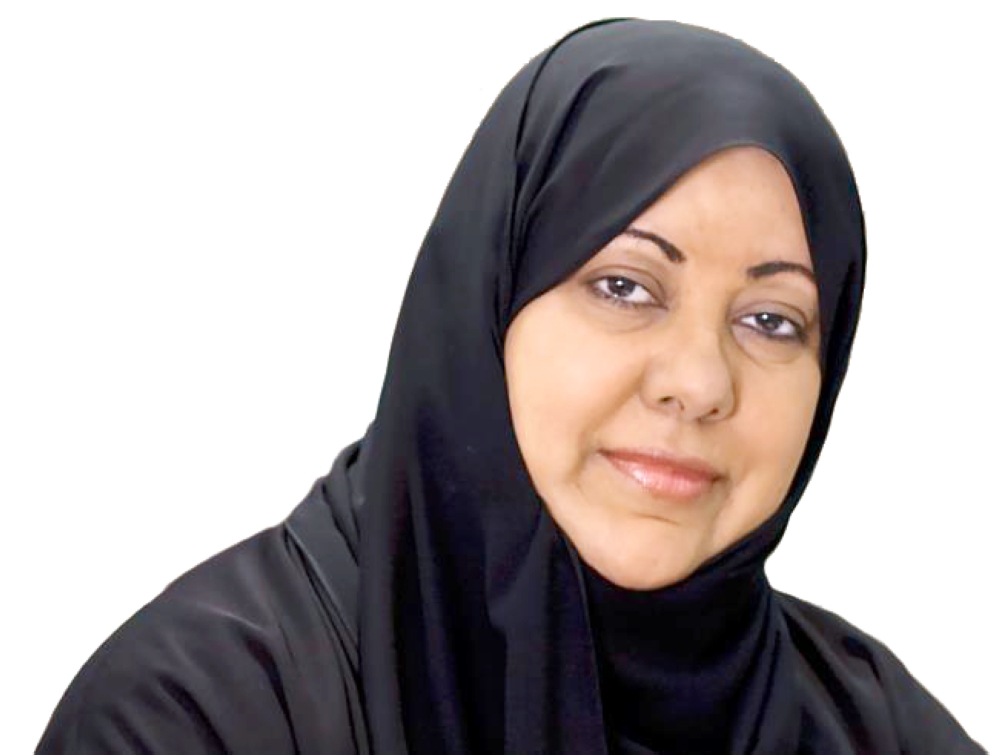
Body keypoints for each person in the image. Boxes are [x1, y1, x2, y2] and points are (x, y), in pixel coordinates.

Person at [36, 17, 985, 754]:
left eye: (771, 320)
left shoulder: (873, 729)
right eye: (625, 286)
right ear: (488, 304)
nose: (699, 383)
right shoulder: (196, 715)